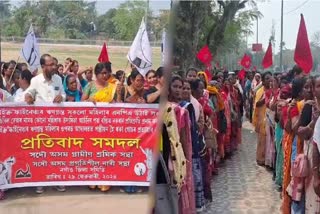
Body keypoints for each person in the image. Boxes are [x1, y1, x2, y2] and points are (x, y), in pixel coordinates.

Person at [24, 54, 66, 194]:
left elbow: (63, 94)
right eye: (51, 65)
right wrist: (28, 96)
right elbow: (29, 93)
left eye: (54, 64)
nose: (54, 67)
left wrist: (62, 97)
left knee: (56, 153)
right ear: (43, 67)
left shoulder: (58, 79)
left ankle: (57, 181)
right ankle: (40, 182)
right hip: (41, 124)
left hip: (56, 123)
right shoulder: (36, 80)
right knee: (40, 154)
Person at [82, 62, 116, 192]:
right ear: (96, 74)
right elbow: (81, 102)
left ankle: (105, 180)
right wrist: (89, 101)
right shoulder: (90, 86)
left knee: (105, 153)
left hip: (107, 126)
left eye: (107, 72)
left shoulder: (112, 87)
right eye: (102, 73)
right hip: (92, 126)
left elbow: (117, 104)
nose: (105, 75)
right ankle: (92, 179)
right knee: (92, 152)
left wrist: (115, 99)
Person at [252, 71, 272, 166]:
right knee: (262, 140)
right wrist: (266, 98)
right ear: (263, 81)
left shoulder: (273, 90)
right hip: (262, 118)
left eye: (270, 78)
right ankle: (260, 158)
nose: (269, 80)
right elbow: (257, 104)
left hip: (270, 118)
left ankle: (268, 160)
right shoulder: (260, 91)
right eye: (267, 78)